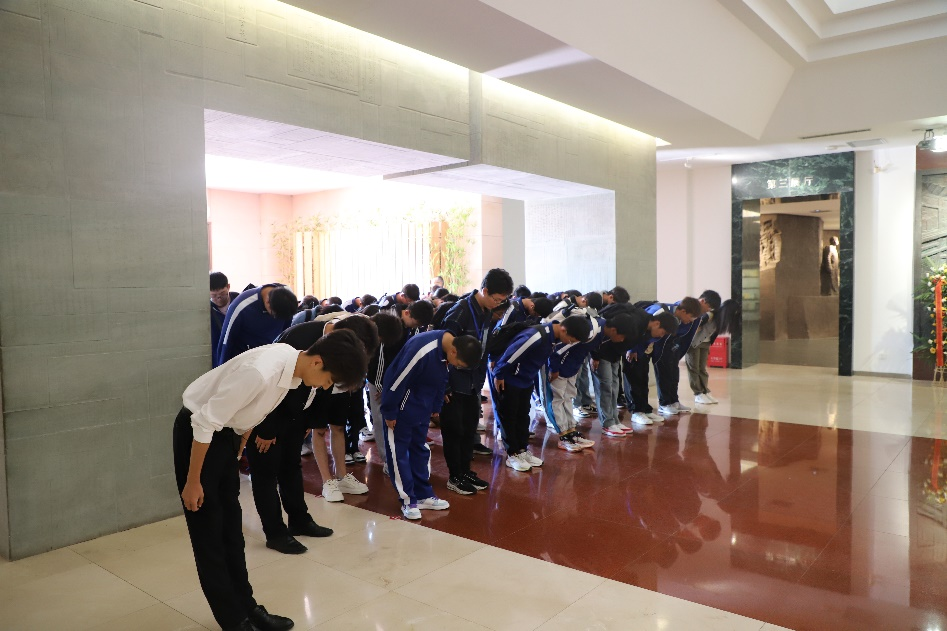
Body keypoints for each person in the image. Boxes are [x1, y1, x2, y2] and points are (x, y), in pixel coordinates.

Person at [174, 331, 367, 631]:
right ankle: (233, 620)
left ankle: (247, 607)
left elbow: (254, 411)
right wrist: (193, 480)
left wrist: (239, 447)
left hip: (226, 435)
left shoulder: (291, 370)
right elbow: (203, 421)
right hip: (199, 435)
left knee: (232, 531)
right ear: (317, 362)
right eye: (329, 380)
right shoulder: (261, 372)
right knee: (209, 533)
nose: (325, 387)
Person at [244, 315, 378, 554]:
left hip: (298, 415)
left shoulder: (336, 348)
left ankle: (299, 520)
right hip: (268, 416)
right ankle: (275, 533)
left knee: (291, 467)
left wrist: (311, 421)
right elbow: (269, 385)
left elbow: (326, 387)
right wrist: (266, 428)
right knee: (266, 473)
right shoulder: (299, 339)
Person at [381, 330, 481, 519]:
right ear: (453, 352)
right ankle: (408, 500)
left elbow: (443, 378)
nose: (456, 366)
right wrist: (390, 410)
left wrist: (436, 405)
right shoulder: (422, 348)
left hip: (422, 407)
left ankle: (423, 494)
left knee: (420, 449)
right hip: (401, 408)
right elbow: (397, 379)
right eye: (459, 364)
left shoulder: (448, 349)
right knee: (398, 453)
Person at [437, 268, 514, 494]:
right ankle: (455, 476)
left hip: (473, 382)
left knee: (469, 429)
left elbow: (484, 345)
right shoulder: (460, 311)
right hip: (454, 382)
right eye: (497, 299)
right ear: (485, 290)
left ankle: (465, 471)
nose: (498, 304)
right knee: (454, 431)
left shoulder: (486, 312)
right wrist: (445, 385)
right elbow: (442, 349)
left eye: (502, 301)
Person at [492, 315, 591, 471]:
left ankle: (522, 450)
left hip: (526, 380)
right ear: (564, 330)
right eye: (571, 340)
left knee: (523, 416)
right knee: (509, 417)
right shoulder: (536, 335)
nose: (570, 343)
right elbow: (511, 354)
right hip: (510, 379)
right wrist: (499, 375)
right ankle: (512, 454)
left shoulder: (553, 338)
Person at [216, 284, 298, 367]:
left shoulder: (287, 297)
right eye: (276, 317)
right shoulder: (241, 306)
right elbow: (226, 343)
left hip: (271, 356)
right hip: (246, 360)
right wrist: (222, 370)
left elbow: (286, 333)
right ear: (268, 302)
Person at [686, 290, 722, 405]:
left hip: (705, 342)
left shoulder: (712, 313)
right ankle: (698, 393)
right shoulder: (693, 309)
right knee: (694, 368)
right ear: (703, 301)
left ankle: (705, 391)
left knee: (702, 368)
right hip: (693, 342)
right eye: (709, 307)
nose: (709, 310)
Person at [210, 272, 239, 366]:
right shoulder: (206, 310)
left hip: (240, 355)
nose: (219, 298)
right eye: (214, 295)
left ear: (228, 287)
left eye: (222, 293)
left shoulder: (239, 302)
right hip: (219, 359)